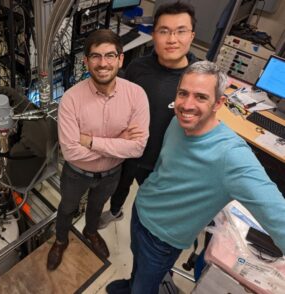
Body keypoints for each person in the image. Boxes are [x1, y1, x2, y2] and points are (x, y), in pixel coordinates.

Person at [106, 60, 285, 294]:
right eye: (183, 93)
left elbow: (277, 213)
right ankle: (131, 283)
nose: (187, 105)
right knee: (137, 266)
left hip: (163, 239)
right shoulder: (177, 122)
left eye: (200, 97)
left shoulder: (232, 156)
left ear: (218, 103)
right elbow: (164, 167)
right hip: (141, 211)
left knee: (145, 287)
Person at [47, 29, 150, 271]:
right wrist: (118, 142)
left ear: (120, 59)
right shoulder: (71, 99)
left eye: (109, 55)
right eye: (95, 56)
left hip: (111, 175)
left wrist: (91, 141)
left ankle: (91, 232)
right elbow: (71, 152)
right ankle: (61, 239)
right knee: (67, 207)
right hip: (75, 173)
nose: (103, 63)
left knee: (96, 207)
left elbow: (137, 147)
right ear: (86, 61)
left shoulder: (136, 95)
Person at [99, 1, 198, 228]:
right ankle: (115, 211)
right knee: (121, 185)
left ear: (192, 35)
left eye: (180, 31)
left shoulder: (199, 79)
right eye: (164, 31)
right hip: (130, 150)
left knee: (152, 203)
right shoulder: (138, 68)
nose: (172, 39)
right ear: (153, 34)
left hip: (163, 161)